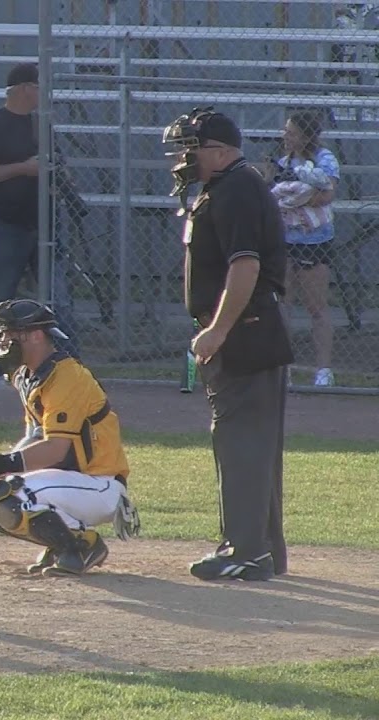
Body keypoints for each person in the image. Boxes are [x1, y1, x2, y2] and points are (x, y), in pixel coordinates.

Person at [163, 107, 293, 581]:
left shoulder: (235, 186)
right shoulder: (232, 184)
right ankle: (263, 549)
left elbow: (246, 266)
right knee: (252, 444)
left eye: (190, 149)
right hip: (249, 328)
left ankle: (246, 550)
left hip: (244, 331)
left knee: (240, 443)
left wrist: (217, 329)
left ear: (219, 150)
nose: (183, 158)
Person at [0, 299, 138, 576]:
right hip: (68, 482)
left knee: (6, 494)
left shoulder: (67, 377)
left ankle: (78, 548)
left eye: (8, 333)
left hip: (99, 484)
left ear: (35, 335)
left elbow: (55, 450)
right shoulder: (28, 376)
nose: (1, 340)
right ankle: (69, 542)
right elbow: (35, 438)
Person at [0, 62, 79, 366]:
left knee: (59, 299)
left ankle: (67, 365)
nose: (43, 93)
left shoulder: (41, 124)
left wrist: (59, 177)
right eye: (39, 86)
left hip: (46, 225)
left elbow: (59, 164)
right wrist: (24, 168)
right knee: (3, 297)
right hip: (7, 224)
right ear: (24, 89)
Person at [267, 110, 339, 387]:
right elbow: (273, 193)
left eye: (292, 132)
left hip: (314, 241)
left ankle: (323, 370)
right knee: (282, 303)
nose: (286, 136)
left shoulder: (324, 159)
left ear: (306, 136)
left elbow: (326, 194)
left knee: (316, 306)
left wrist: (296, 198)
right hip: (284, 240)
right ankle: (284, 366)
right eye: (286, 131)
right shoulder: (281, 161)